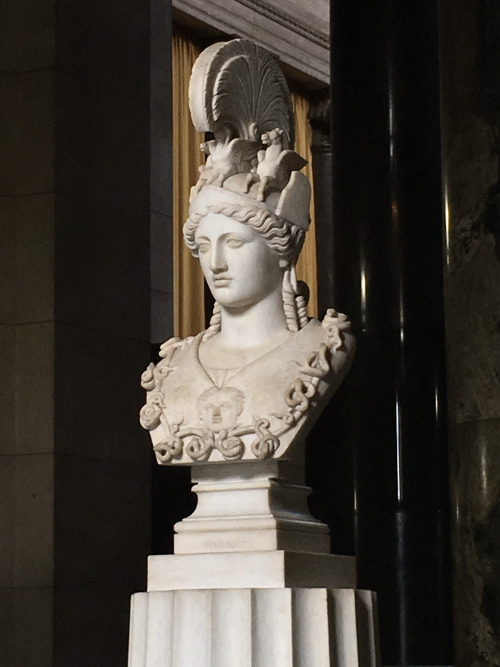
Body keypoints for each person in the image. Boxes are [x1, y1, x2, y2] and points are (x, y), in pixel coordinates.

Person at [139, 38, 354, 465]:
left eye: (234, 242)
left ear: (281, 250)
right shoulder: (174, 364)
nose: (215, 263)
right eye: (203, 247)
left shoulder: (323, 348)